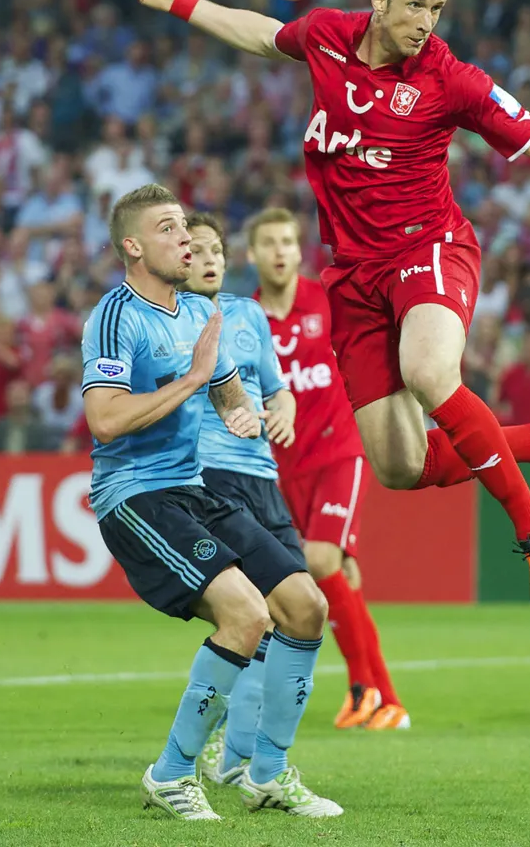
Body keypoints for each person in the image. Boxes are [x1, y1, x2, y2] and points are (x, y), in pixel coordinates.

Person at [127, 0, 530, 607]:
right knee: (401, 466)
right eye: (414, 5)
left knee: (430, 374)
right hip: (352, 276)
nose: (425, 23)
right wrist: (178, 1)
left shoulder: (449, 78)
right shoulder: (326, 36)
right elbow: (261, 33)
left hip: (428, 248)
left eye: (436, 8)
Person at [79, 185, 339, 819]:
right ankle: (171, 774)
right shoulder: (116, 316)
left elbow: (226, 393)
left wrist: (247, 414)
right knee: (247, 618)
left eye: (185, 228)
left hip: (195, 489)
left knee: (305, 607)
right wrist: (193, 380)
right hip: (136, 495)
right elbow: (106, 420)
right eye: (169, 229)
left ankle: (268, 774)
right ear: (133, 247)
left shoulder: (200, 314)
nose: (186, 238)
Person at [245, 207, 408, 730]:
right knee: (342, 576)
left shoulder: (327, 299)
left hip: (340, 452)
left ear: (299, 250)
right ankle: (386, 698)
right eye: (268, 242)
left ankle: (363, 688)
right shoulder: (245, 318)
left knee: (318, 561)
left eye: (287, 241)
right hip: (280, 469)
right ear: (251, 254)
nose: (278, 251)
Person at [170, 211, 313, 786]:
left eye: (214, 252)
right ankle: (228, 758)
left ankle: (235, 759)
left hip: (264, 480)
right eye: (195, 251)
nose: (207, 260)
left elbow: (279, 392)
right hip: (212, 478)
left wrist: (283, 416)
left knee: (295, 613)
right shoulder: (168, 323)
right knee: (258, 612)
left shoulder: (249, 314)